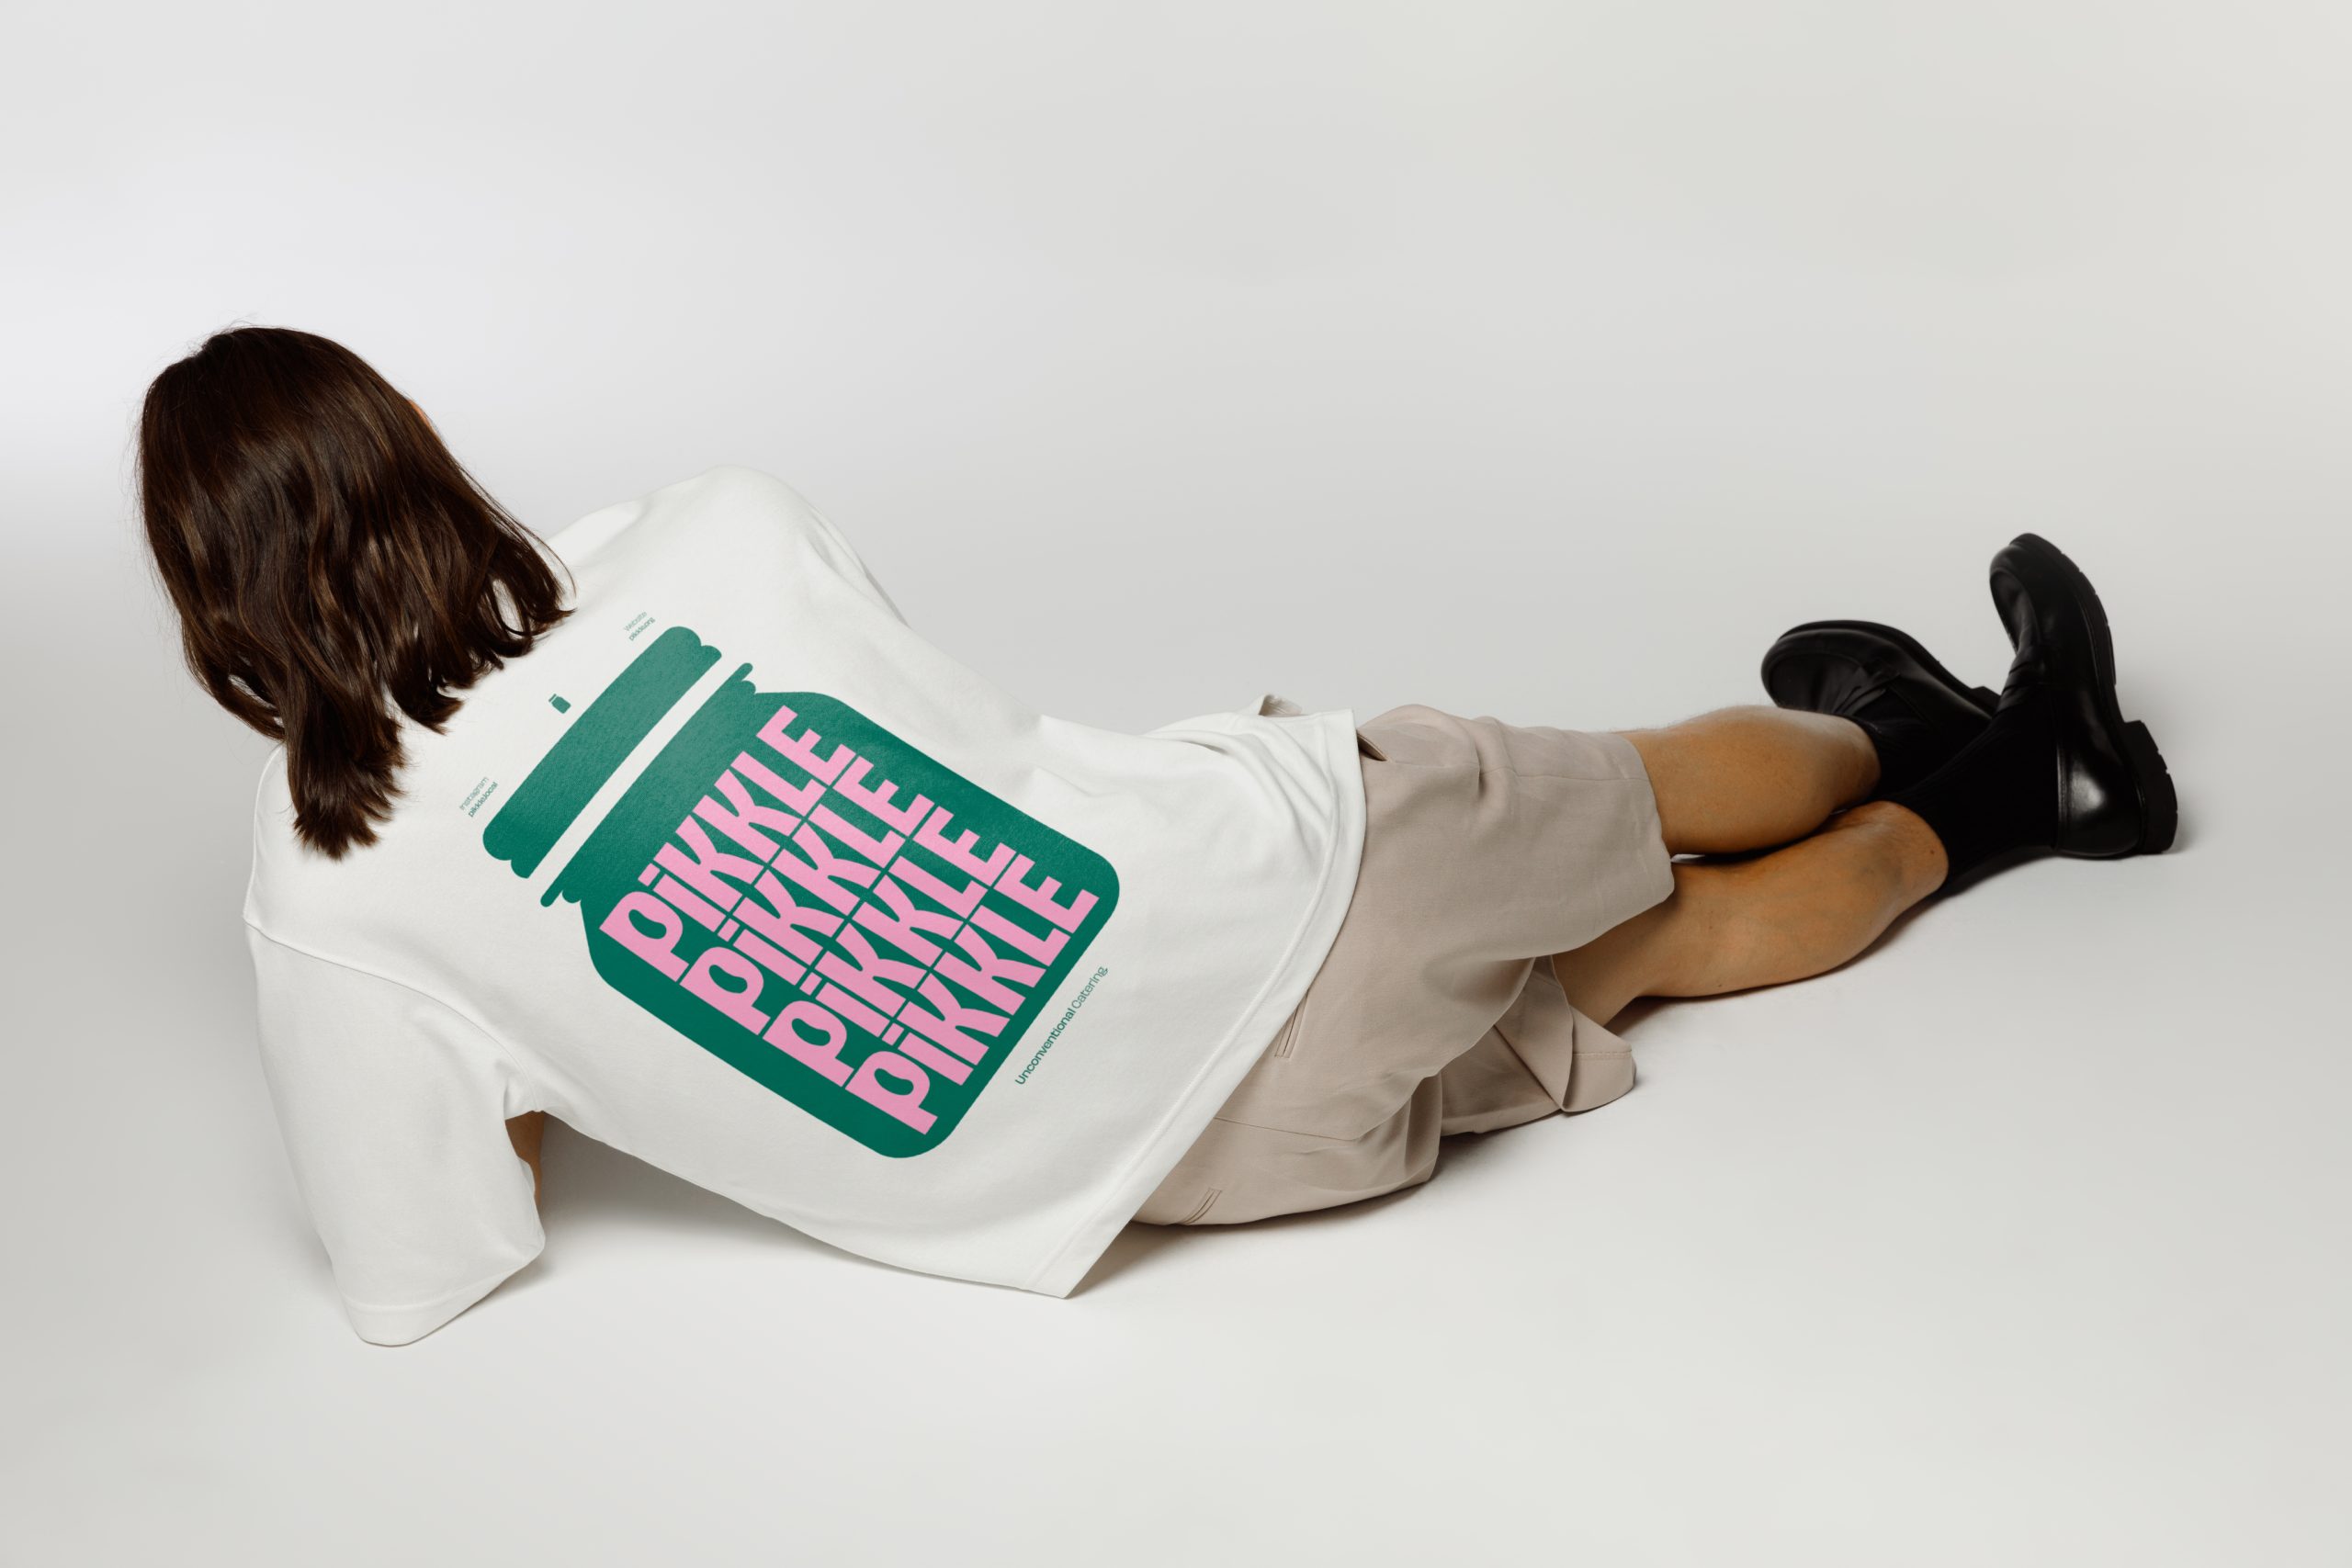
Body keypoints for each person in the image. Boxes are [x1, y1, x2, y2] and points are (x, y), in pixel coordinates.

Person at [140, 325, 2177, 1345]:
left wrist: (523, 1051)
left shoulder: (322, 890)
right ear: (416, 455)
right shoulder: (711, 536)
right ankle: (1924, 741)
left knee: (1664, 948)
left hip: (1209, 1155)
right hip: (1283, 873)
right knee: (1649, 785)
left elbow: (417, 1270)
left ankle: (2009, 787)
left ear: (211, 608)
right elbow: (914, 738)